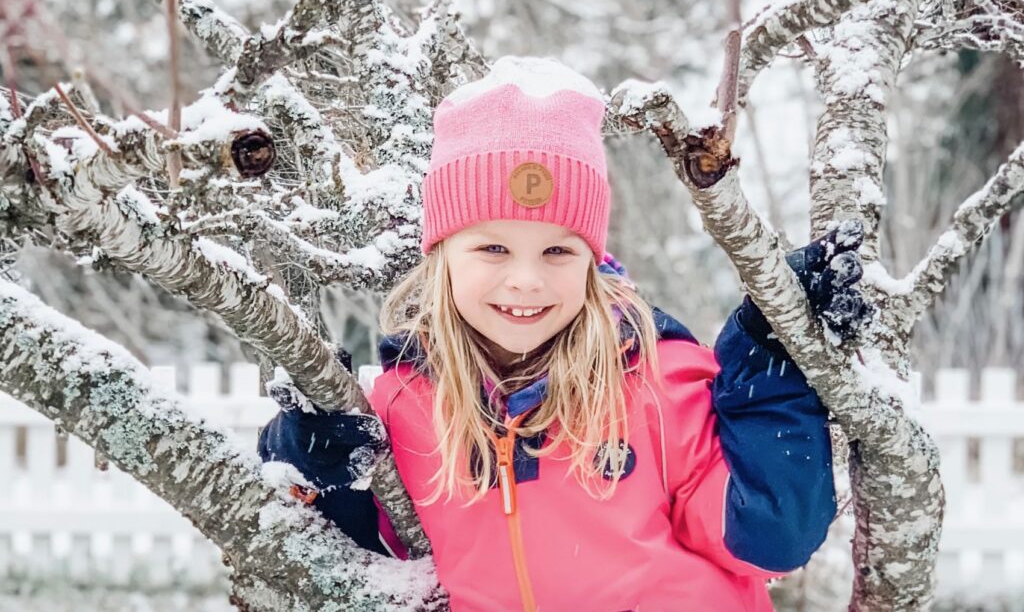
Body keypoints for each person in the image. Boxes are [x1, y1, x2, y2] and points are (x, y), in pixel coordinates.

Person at [258, 56, 872, 611]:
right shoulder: (406, 402)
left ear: (592, 260)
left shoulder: (655, 379)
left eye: (557, 250)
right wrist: (310, 454)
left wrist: (772, 369)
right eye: (493, 247)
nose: (525, 280)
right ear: (442, 254)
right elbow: (382, 545)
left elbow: (770, 538)